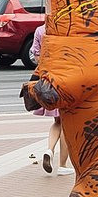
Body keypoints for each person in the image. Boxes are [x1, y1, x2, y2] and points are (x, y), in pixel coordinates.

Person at [27, 25, 67, 174]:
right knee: (66, 125)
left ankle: (49, 150)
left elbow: (35, 55)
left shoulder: (39, 30)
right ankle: (62, 165)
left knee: (57, 122)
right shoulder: (63, 29)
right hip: (63, 80)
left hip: (47, 81)